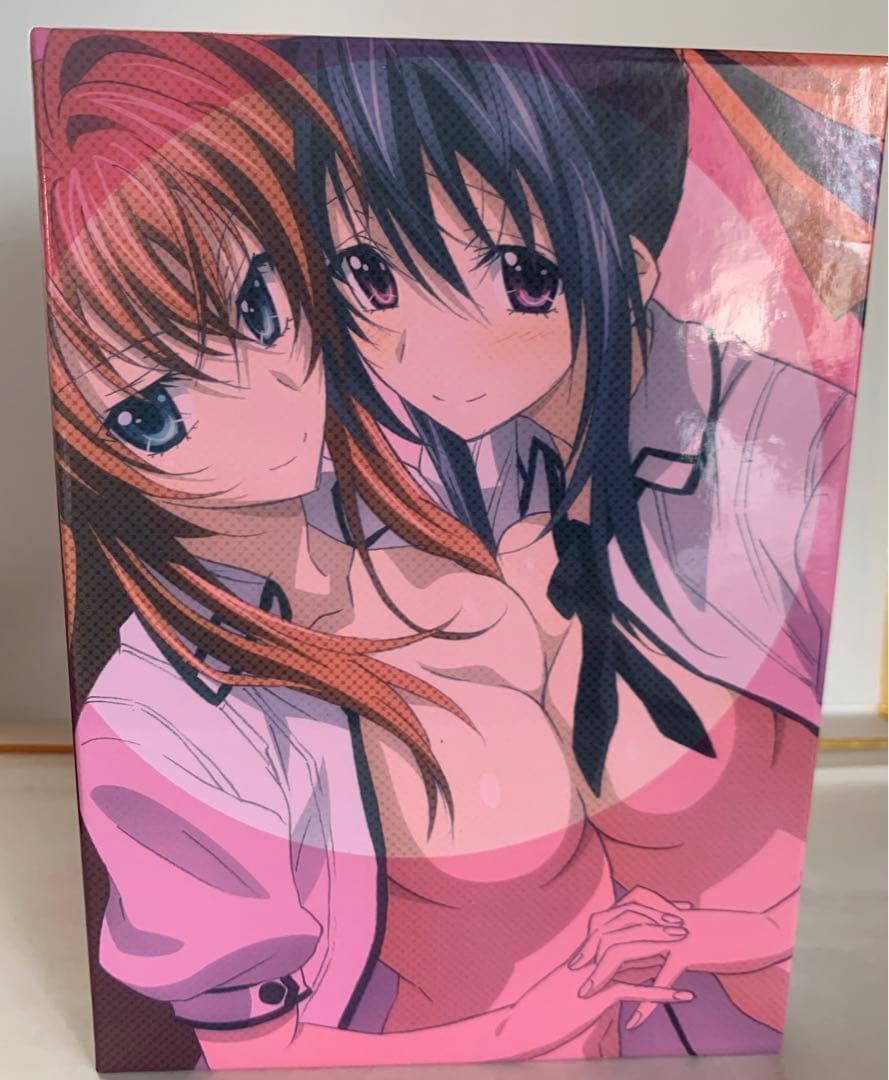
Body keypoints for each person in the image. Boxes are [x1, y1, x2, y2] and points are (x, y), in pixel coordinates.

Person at [36, 29, 694, 1071]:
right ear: (85, 442)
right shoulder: (156, 723)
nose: (263, 407)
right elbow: (254, 1054)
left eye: (257, 307)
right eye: (152, 413)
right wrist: (550, 1013)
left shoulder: (427, 480)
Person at [283, 37, 863, 1052]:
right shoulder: (445, 466)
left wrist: (717, 935)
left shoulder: (797, 446)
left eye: (519, 275)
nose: (431, 346)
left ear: (628, 265)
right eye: (372, 275)